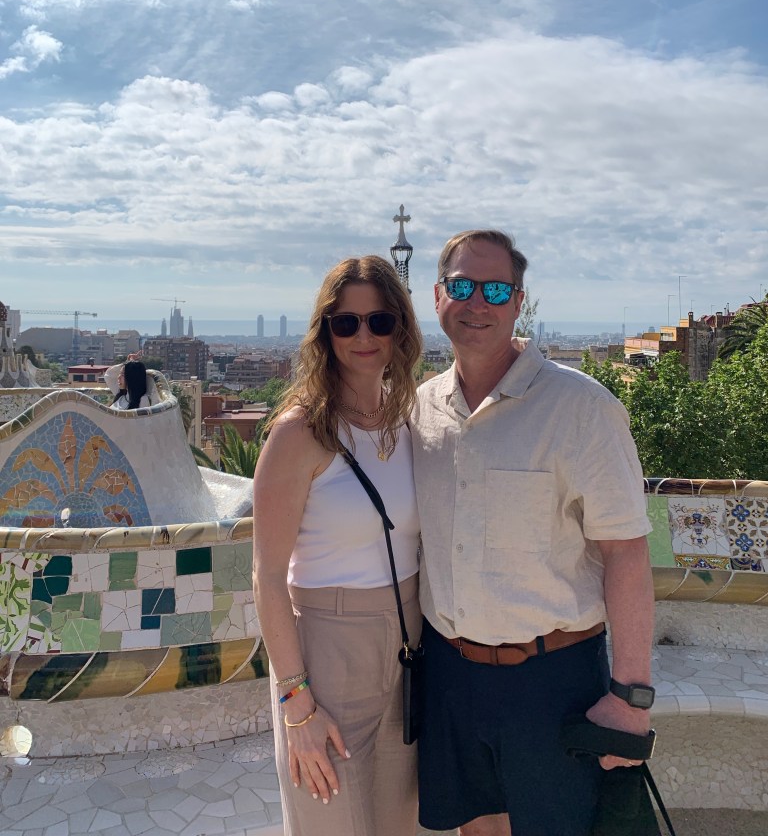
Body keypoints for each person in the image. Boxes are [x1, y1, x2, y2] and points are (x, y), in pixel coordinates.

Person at [411, 229, 655, 836]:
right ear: (437, 296)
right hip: (450, 673)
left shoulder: (581, 408)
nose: (478, 303)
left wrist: (631, 698)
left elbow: (626, 552)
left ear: (519, 302)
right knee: (476, 827)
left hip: (554, 679)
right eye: (462, 286)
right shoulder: (420, 411)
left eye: (496, 290)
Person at [252, 255, 422, 836]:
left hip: (409, 649)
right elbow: (267, 576)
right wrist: (296, 703)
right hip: (329, 650)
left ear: (400, 328)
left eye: (379, 321)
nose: (364, 336)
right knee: (330, 820)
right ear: (325, 332)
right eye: (346, 323)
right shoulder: (299, 432)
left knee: (401, 823)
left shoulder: (408, 418)